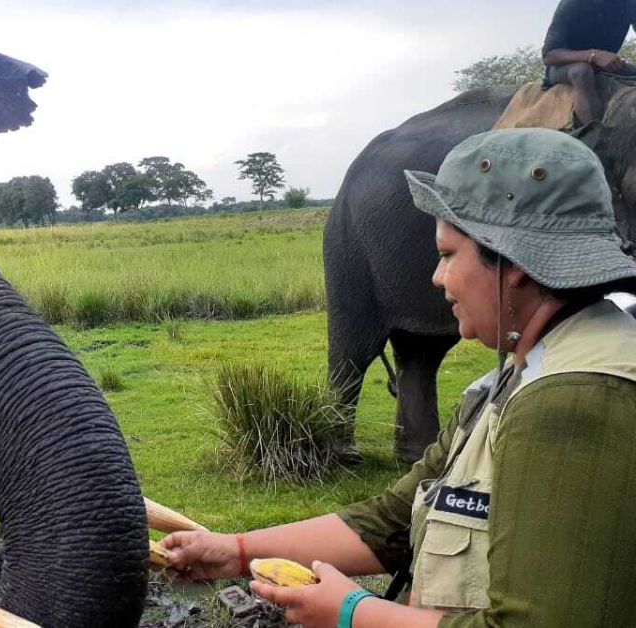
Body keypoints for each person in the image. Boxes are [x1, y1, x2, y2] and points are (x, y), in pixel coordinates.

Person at [163, 127, 636, 627]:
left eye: (449, 254)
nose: (437, 277)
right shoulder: (515, 377)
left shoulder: (579, 400)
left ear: (512, 263)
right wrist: (235, 551)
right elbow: (394, 517)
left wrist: (353, 614)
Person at [542, 0, 636, 125]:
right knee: (582, 71)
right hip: (563, 67)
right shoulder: (571, 4)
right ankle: (594, 137)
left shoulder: (628, 4)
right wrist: (594, 55)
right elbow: (549, 55)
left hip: (605, 65)